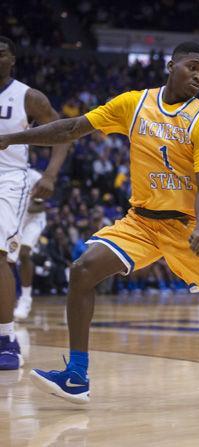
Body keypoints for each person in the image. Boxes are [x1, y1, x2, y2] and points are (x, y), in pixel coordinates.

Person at [0, 42, 199, 403]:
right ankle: (77, 375)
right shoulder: (132, 104)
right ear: (171, 65)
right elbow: (71, 128)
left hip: (185, 228)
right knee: (82, 270)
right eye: (193, 66)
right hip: (141, 223)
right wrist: (10, 138)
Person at [0, 36, 69, 370]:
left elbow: (62, 133)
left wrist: (51, 175)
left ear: (12, 59)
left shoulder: (27, 96)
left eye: (0, 54)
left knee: (3, 255)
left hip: (9, 180)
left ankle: (6, 339)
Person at [10, 168, 49, 320]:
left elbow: (40, 206)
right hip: (14, 220)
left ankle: (26, 299)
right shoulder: (5, 174)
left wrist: (21, 203)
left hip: (33, 220)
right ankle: (8, 302)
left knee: (24, 254)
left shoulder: (34, 177)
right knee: (7, 261)